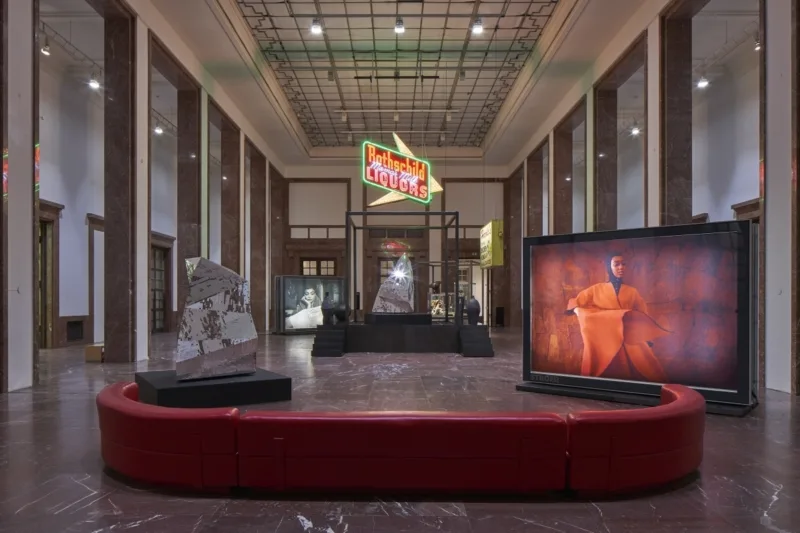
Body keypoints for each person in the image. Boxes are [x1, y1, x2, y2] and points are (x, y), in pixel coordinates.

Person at [566, 253, 669, 382]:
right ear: (609, 267)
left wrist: (644, 335)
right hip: (605, 339)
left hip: (627, 337)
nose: (621, 267)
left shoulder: (632, 292)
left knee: (642, 369)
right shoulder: (596, 289)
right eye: (616, 264)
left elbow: (642, 314)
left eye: (623, 264)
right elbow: (575, 302)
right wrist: (578, 310)